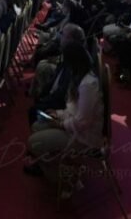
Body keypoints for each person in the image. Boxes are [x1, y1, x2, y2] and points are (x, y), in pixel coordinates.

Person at [23, 41, 103, 177]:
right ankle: (48, 165)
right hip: (76, 128)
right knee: (37, 125)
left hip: (83, 138)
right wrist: (58, 113)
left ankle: (60, 175)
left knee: (33, 142)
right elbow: (73, 108)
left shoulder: (88, 85)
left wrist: (60, 124)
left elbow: (82, 122)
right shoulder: (81, 77)